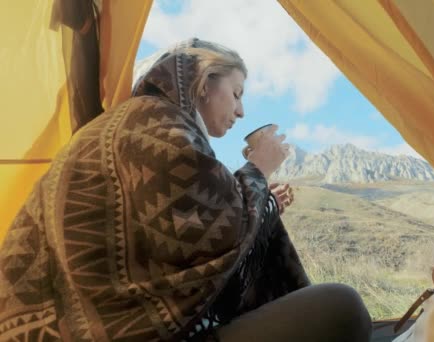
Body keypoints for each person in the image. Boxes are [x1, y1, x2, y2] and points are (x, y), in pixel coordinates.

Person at [0, 38, 371, 341]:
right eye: (237, 92)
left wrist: (263, 204)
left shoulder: (136, 124)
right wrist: (258, 168)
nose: (241, 111)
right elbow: (217, 234)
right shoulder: (155, 124)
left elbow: (184, 239)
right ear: (206, 81)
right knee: (344, 307)